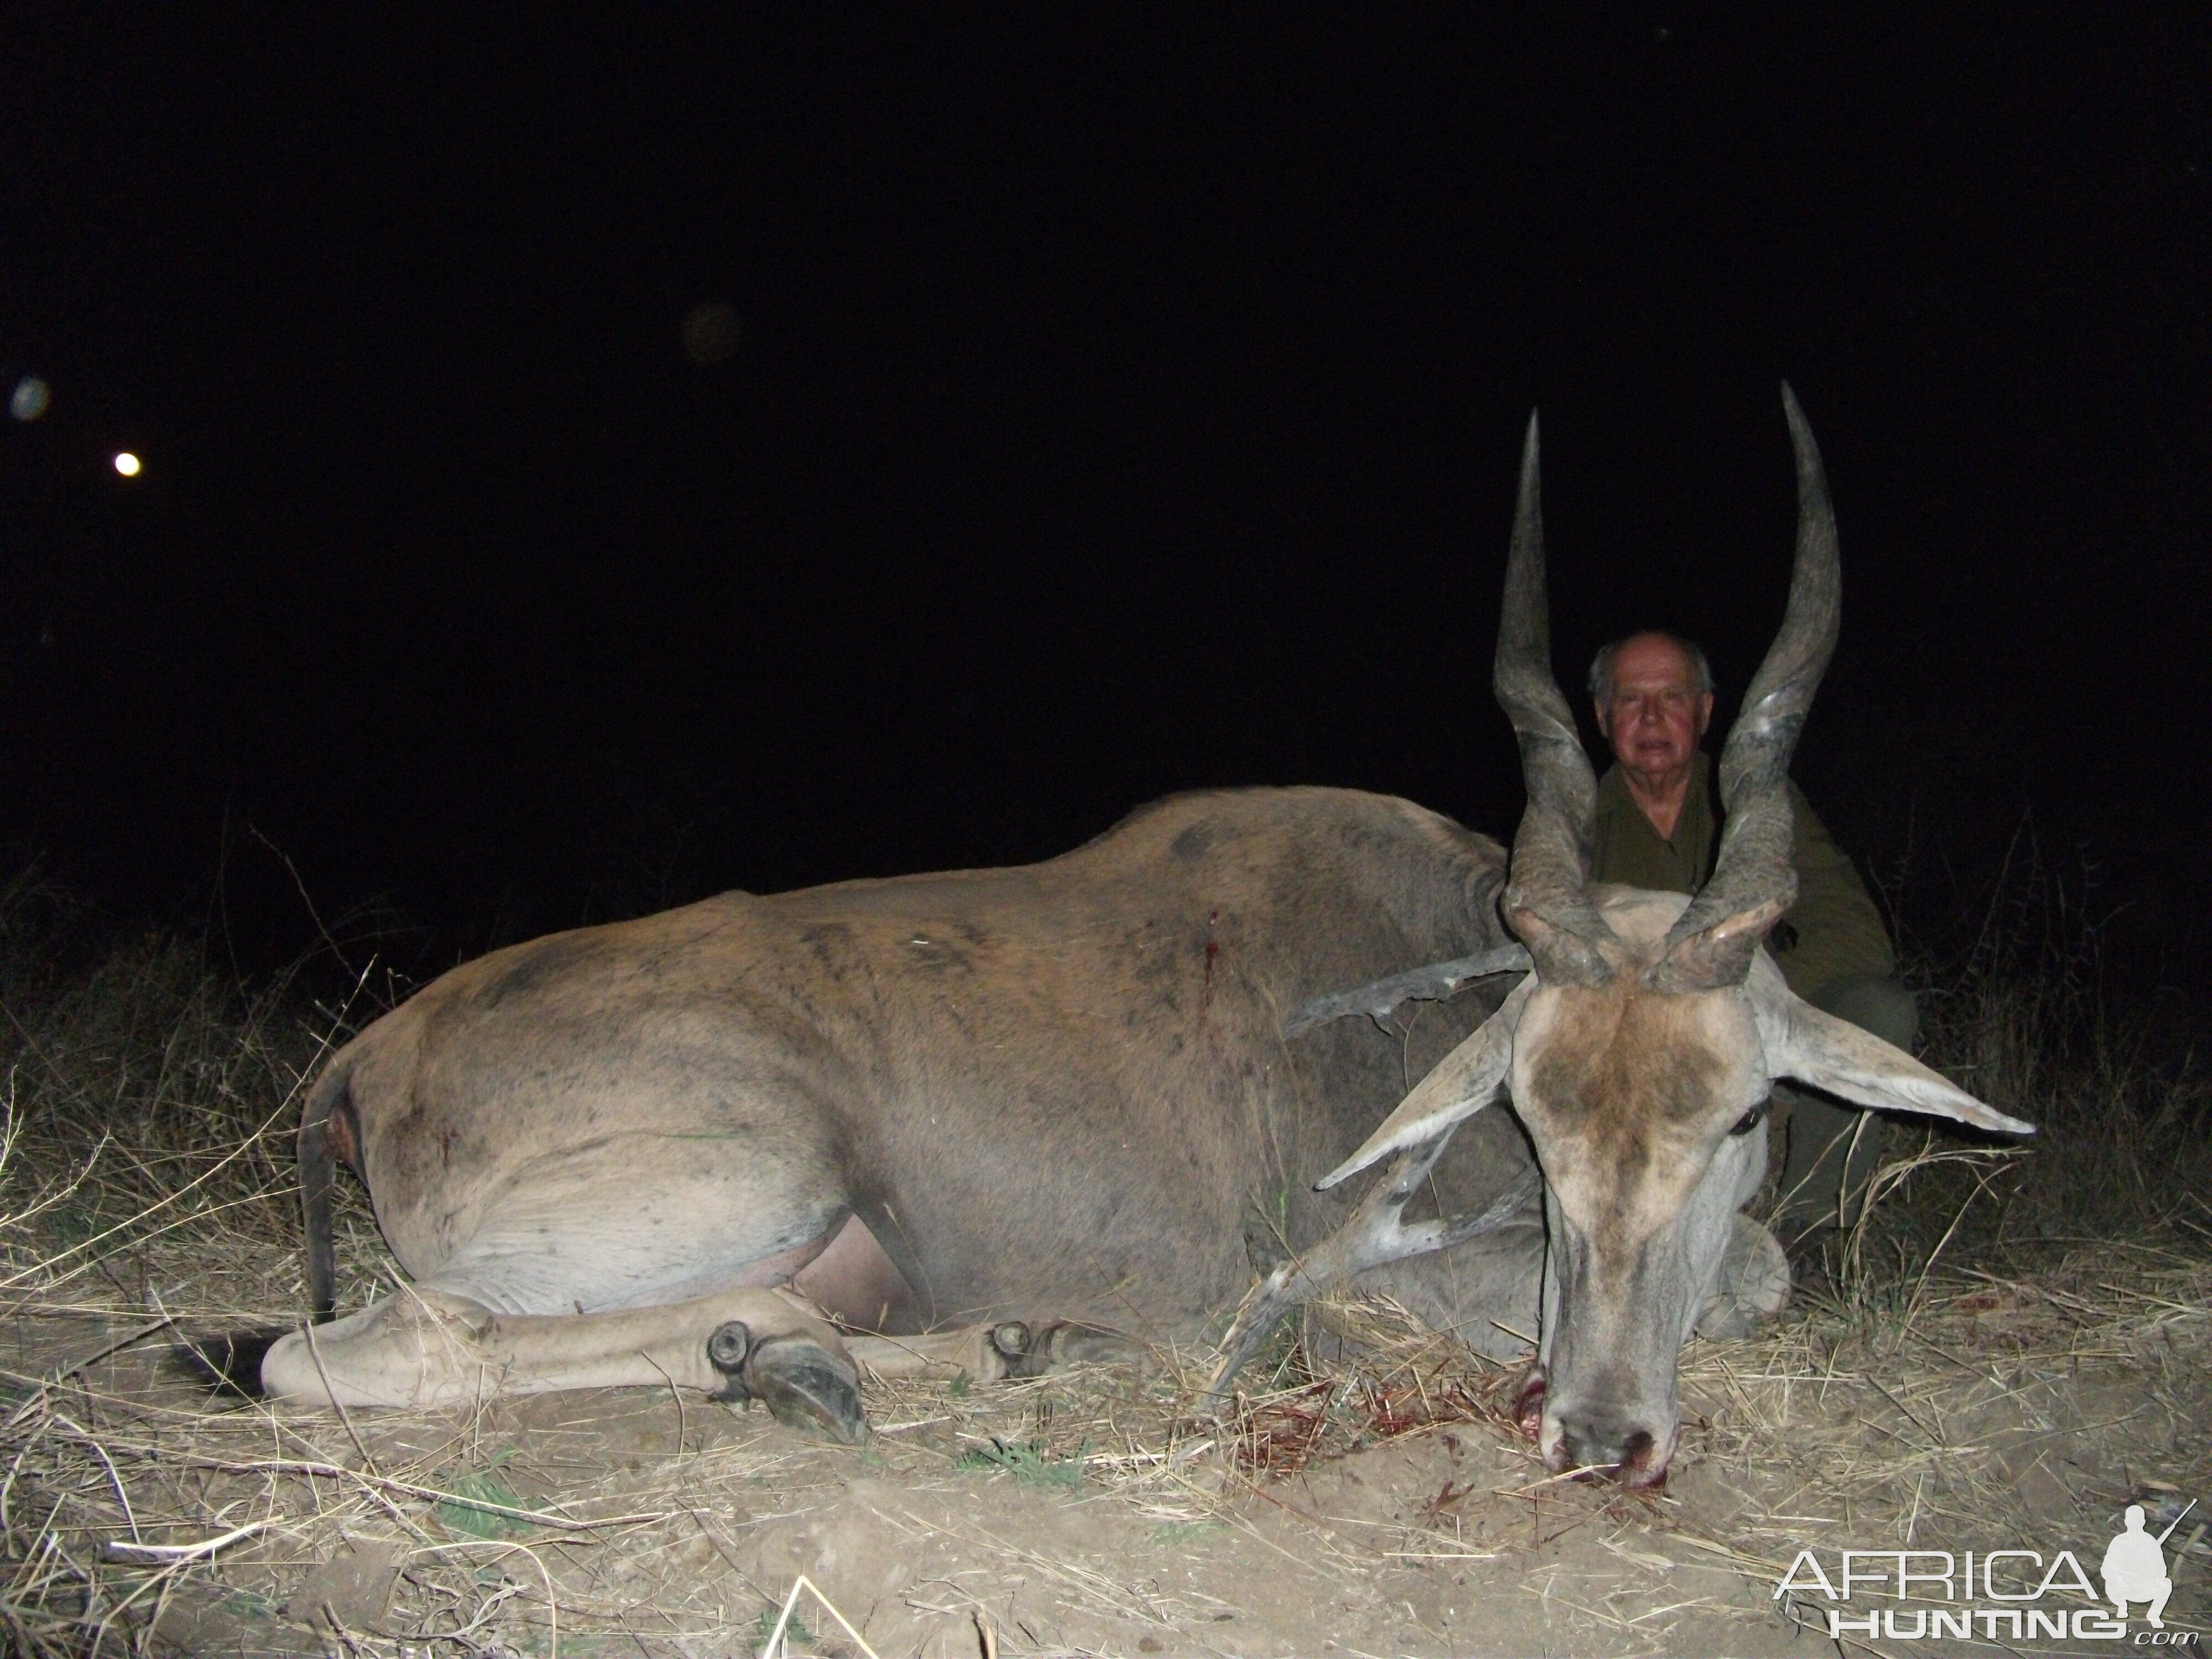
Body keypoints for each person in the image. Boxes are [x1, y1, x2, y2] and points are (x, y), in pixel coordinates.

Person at [1585, 630, 1912, 1250]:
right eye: (1630, 700)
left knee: (1876, 1007)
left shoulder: (1759, 801)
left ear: (1705, 711)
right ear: (1602, 717)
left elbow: (1856, 931)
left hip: (1749, 1032)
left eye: (1672, 698)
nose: (1652, 718)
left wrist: (1742, 992)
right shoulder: (1568, 820)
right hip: (1632, 1055)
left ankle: (1815, 1228)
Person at [2101, 1505, 2173, 1628]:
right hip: (2123, 1588)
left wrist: (2148, 1572)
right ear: (2126, 1522)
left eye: (2138, 1520)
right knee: (2110, 1584)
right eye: (2132, 1520)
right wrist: (2120, 1575)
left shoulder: (2150, 1541)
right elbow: (2107, 1568)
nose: (2135, 1524)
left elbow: (2162, 1569)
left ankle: (2154, 1615)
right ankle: (2122, 1607)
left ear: (2143, 1522)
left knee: (2166, 1584)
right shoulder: (2119, 1541)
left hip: (2145, 1587)